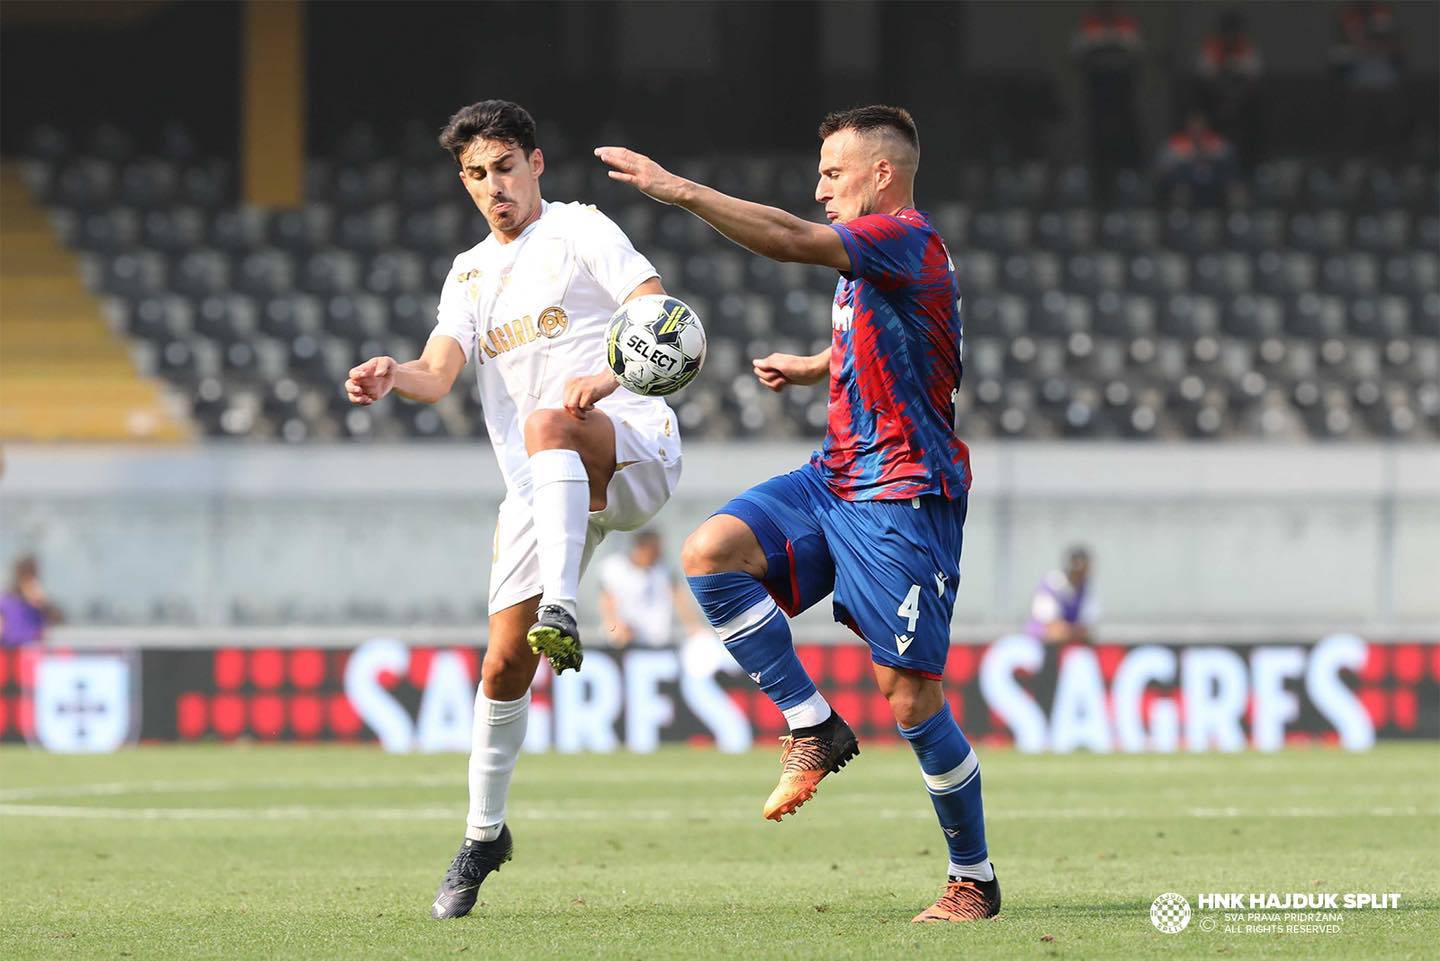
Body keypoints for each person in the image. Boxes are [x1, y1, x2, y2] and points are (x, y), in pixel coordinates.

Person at [598, 105, 998, 923]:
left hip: (900, 493)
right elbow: (905, 337)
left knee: (911, 698)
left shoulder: (903, 237)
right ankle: (812, 724)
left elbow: (785, 237)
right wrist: (819, 367)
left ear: (881, 173)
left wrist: (678, 191)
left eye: (832, 173)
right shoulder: (880, 262)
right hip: (835, 476)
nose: (818, 191)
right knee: (711, 552)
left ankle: (974, 878)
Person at [345, 100, 683, 920]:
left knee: (545, 422)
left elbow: (653, 302)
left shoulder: (580, 228)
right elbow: (439, 369)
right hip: (540, 489)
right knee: (501, 667)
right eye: (475, 174)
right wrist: (397, 375)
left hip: (627, 439)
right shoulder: (468, 272)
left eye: (503, 167)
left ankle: (563, 605)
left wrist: (609, 377)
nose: (492, 186)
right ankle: (483, 832)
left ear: (535, 164)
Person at [1071, 1, 1145, 199]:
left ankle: (1124, 185)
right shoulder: (1089, 24)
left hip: (1121, 96)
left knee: (1121, 139)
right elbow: (1077, 52)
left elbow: (1137, 50)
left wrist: (1111, 39)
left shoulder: (1126, 24)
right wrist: (1103, 40)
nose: (1108, 10)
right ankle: (1099, 188)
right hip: (1097, 95)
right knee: (1098, 141)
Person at [597, 529, 701, 648]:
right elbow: (607, 602)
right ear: (640, 548)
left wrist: (694, 628)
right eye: (654, 550)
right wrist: (615, 627)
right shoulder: (614, 568)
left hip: (657, 643)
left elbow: (680, 600)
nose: (659, 554)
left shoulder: (664, 571)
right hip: (624, 642)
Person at [1195, 10, 1263, 169]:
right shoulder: (1212, 47)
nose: (1231, 36)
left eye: (1235, 31)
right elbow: (1204, 73)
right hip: (1215, 105)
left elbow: (1254, 72)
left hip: (1242, 108)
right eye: (1228, 31)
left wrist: (1232, 69)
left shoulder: (1245, 47)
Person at [1157, 111, 1242, 208]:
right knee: (1180, 191)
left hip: (1214, 181)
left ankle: (1238, 218)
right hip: (1186, 182)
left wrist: (1207, 153)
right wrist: (1187, 157)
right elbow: (1163, 163)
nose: (1197, 130)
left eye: (1200, 126)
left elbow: (1229, 156)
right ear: (1188, 127)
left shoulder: (1215, 141)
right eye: (1194, 126)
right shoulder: (1178, 143)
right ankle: (1180, 218)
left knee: (1236, 190)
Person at [1026, 547, 1101, 645]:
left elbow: (1087, 624)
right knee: (1057, 632)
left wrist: (1074, 631)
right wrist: (1069, 630)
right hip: (1039, 639)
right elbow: (1049, 623)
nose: (1079, 575)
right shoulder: (1052, 582)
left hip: (1070, 635)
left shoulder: (1089, 587)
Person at [0, 555, 63, 646]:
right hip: (12, 654)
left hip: (34, 654)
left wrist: (43, 605)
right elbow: (6, 635)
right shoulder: (5, 602)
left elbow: (59, 621)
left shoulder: (38, 604)